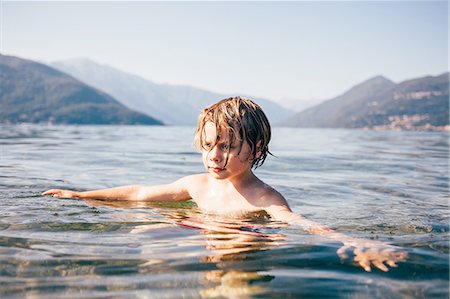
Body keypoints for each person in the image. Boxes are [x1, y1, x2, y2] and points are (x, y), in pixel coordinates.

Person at [42, 96, 407, 272]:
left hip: (241, 242)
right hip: (202, 236)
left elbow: (300, 224)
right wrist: (80, 194)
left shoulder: (263, 197)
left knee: (238, 249)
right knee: (143, 231)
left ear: (257, 148)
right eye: (208, 145)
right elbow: (139, 194)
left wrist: (353, 239)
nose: (215, 156)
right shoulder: (196, 186)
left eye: (228, 147)